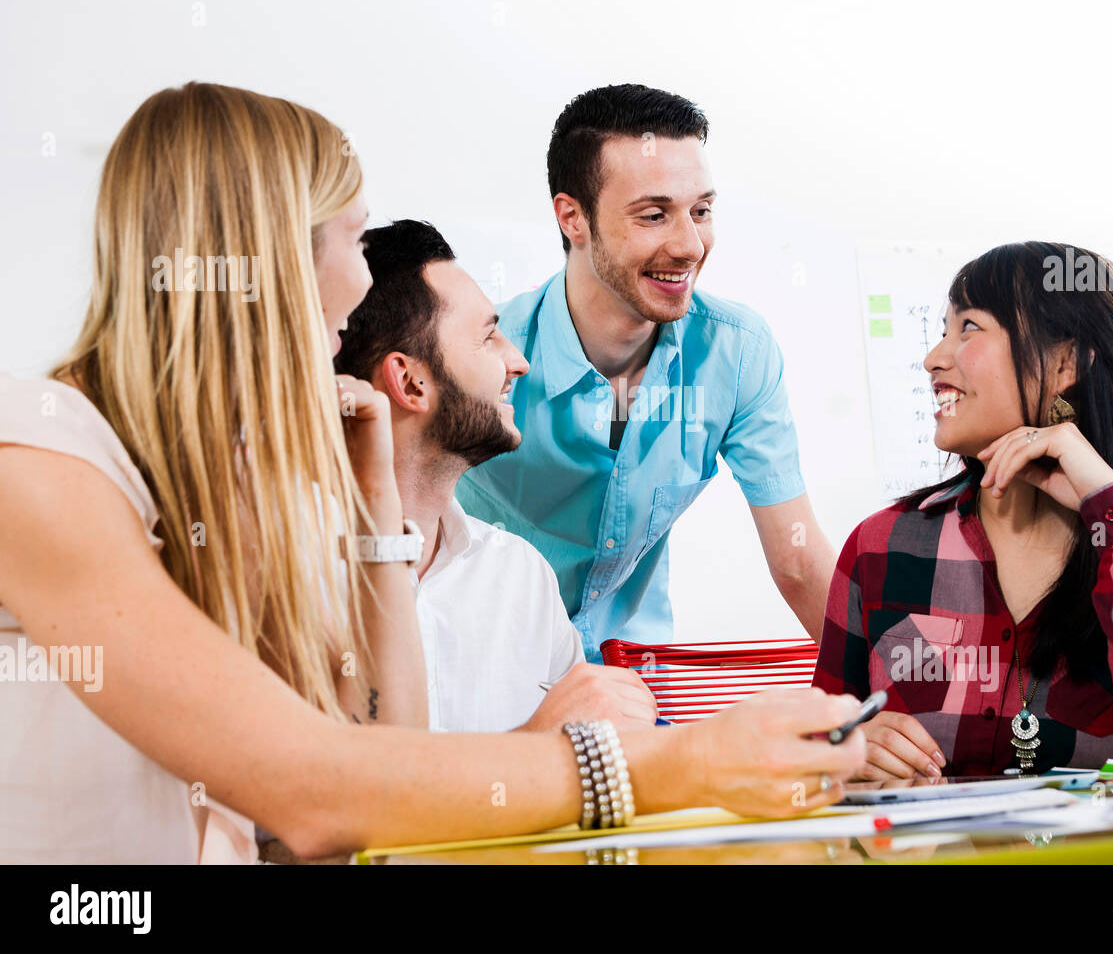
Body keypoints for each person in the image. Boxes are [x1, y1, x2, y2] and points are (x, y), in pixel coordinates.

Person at [0, 82, 868, 863]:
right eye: (349, 236)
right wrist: (680, 761)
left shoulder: (236, 488)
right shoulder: (41, 463)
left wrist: (376, 496)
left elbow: (380, 747)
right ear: (268, 254)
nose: (358, 278)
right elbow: (317, 793)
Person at [812, 242, 1113, 778]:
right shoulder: (881, 547)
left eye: (969, 327)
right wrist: (846, 751)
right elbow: (816, 759)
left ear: (1065, 362)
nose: (934, 359)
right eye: (942, 330)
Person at [457, 84, 838, 660]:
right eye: (654, 215)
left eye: (702, 211)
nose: (689, 245)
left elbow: (800, 562)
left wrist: (912, 703)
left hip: (637, 681)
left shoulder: (736, 353)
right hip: (488, 677)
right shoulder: (479, 356)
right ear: (573, 218)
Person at [335, 219, 658, 732]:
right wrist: (535, 743)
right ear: (410, 381)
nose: (519, 362)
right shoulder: (287, 579)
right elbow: (350, 797)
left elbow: (591, 770)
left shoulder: (521, 579)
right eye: (488, 337)